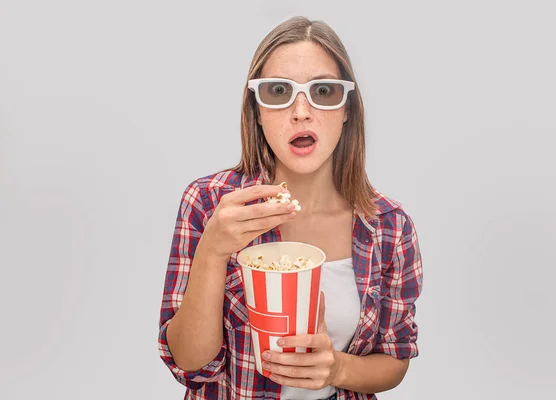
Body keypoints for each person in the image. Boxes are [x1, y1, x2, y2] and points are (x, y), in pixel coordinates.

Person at [158, 16, 423, 400]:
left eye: (324, 91)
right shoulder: (209, 203)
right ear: (257, 112)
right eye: (279, 91)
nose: (301, 111)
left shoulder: (389, 227)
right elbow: (189, 361)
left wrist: (338, 367)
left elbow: (395, 359)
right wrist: (213, 248)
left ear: (347, 110)